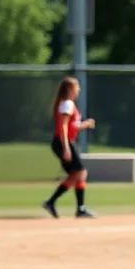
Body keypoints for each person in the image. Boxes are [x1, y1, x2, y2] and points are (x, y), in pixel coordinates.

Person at [43, 76, 98, 219]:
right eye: (76, 86)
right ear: (70, 89)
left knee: (77, 175)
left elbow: (71, 126)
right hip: (63, 142)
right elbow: (63, 126)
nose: (78, 89)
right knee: (81, 173)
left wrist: (84, 125)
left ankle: (74, 207)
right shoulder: (67, 104)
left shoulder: (68, 104)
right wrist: (66, 147)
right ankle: (72, 207)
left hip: (63, 141)